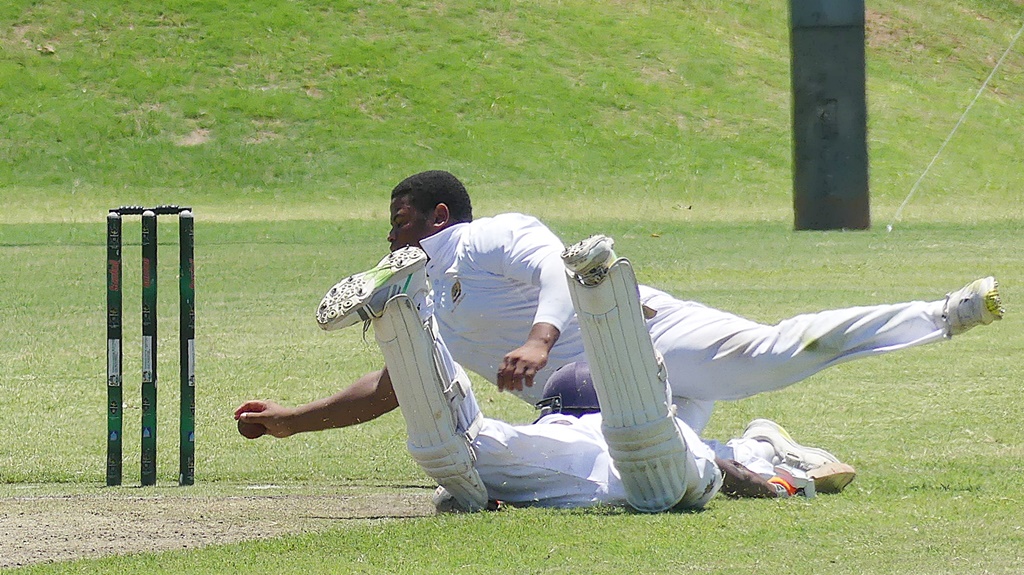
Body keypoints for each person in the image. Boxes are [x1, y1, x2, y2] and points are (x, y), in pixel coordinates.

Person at [310, 170, 1004, 434]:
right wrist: (291, 422)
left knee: (771, 353)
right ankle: (767, 454)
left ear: (438, 216)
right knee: (644, 482)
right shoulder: (419, 297)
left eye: (398, 221)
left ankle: (942, 313)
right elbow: (393, 385)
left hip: (649, 340)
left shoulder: (492, 233)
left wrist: (541, 340)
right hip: (593, 405)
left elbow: (563, 272)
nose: (389, 235)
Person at [238, 246, 849, 511]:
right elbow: (728, 471)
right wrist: (777, 488)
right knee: (464, 449)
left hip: (643, 463)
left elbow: (465, 456)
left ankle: (404, 313)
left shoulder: (556, 435)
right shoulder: (608, 432)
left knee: (461, 446)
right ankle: (405, 311)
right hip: (656, 467)